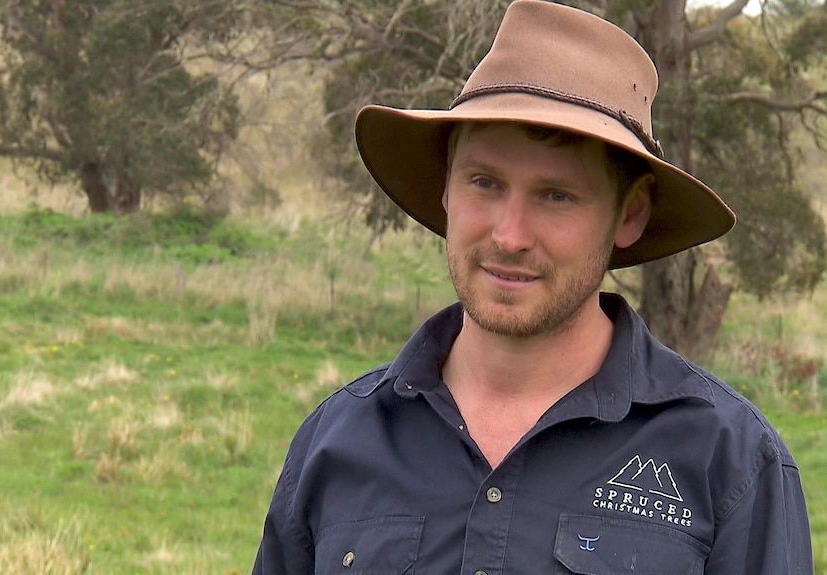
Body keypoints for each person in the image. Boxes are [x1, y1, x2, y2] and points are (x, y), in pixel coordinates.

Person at [252, 1, 814, 573]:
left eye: (556, 196)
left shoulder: (733, 464)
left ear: (631, 213)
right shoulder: (336, 444)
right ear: (445, 188)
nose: (511, 235)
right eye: (484, 182)